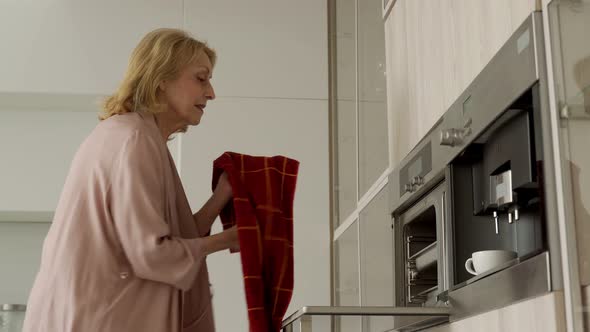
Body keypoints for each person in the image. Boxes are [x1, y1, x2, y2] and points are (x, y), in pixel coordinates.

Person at [22, 28, 238, 332]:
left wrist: (220, 197)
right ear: (161, 77)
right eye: (201, 79)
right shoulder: (134, 140)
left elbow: (173, 237)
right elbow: (152, 253)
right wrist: (229, 239)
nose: (211, 92)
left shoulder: (137, 136)